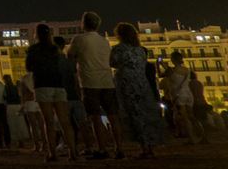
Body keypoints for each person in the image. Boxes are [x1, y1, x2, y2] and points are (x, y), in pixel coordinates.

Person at [67, 10, 124, 159]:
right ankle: (119, 148)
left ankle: (102, 148)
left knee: (95, 117)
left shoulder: (79, 39)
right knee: (113, 116)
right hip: (107, 81)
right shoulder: (104, 41)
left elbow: (70, 56)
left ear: (83, 24)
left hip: (89, 81)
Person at [109, 22, 163, 158]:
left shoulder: (118, 49)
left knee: (134, 114)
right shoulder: (140, 50)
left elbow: (112, 63)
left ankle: (144, 147)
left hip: (127, 85)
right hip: (141, 84)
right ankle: (150, 146)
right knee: (144, 114)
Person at [25, 24, 76, 162]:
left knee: (48, 122)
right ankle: (73, 152)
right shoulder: (55, 49)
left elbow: (28, 67)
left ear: (36, 34)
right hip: (58, 86)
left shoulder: (34, 49)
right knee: (65, 121)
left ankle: (52, 153)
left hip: (42, 85)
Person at [56, 35, 96, 156]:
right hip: (75, 96)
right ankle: (89, 146)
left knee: (65, 124)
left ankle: (71, 148)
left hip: (62, 97)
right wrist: (80, 94)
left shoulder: (54, 62)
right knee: (82, 123)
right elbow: (76, 78)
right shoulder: (70, 61)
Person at [161, 52, 201, 143]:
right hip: (188, 94)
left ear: (173, 60)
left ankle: (191, 138)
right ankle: (202, 135)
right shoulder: (187, 70)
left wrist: (159, 63)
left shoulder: (172, 70)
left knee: (184, 117)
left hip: (179, 95)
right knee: (192, 116)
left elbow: (161, 73)